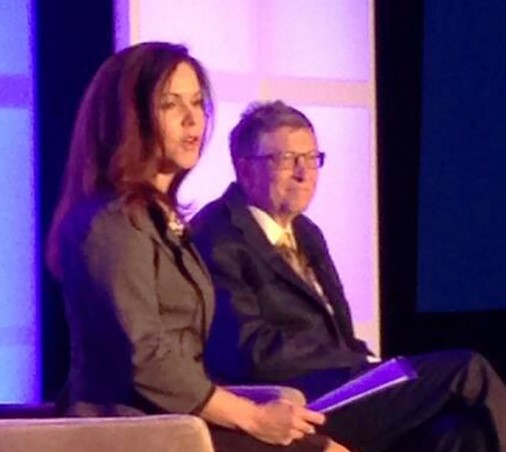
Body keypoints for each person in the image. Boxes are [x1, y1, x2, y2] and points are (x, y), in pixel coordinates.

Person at [46, 43, 350, 452]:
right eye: (171, 104)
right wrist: (253, 417)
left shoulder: (163, 220)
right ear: (130, 117)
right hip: (132, 431)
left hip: (175, 421)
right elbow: (147, 356)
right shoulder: (110, 223)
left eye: (198, 103)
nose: (194, 119)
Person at [190, 100, 506, 452]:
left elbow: (338, 329)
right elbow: (251, 351)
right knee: (467, 369)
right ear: (245, 168)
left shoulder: (307, 232)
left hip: (344, 382)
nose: (304, 172)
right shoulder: (216, 236)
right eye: (286, 159)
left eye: (311, 158)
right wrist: (355, 364)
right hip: (295, 401)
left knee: (460, 431)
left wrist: (366, 365)